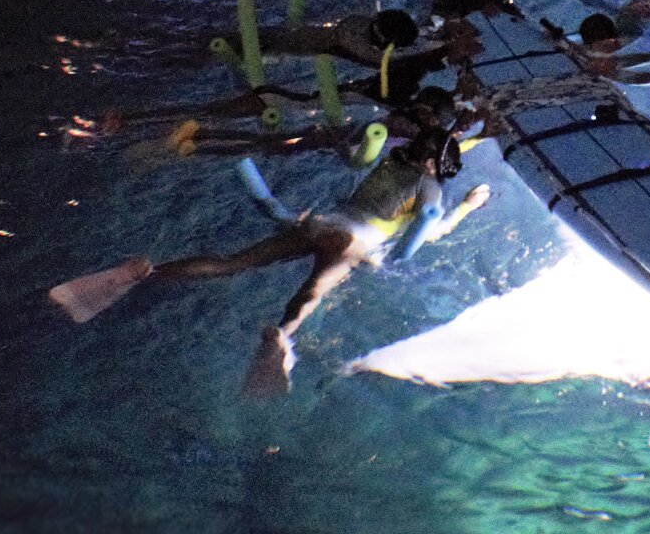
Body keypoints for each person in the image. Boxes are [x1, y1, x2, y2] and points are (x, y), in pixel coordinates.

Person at [48, 115, 491, 396]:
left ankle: (147, 273)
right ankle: (282, 334)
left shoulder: (391, 161)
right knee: (312, 293)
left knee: (233, 263)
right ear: (437, 166)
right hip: (353, 242)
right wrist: (464, 209)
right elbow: (432, 218)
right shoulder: (430, 185)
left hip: (323, 222)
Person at [233, 6, 421, 67]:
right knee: (243, 55)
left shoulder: (358, 21)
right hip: (287, 48)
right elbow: (376, 59)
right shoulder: (352, 42)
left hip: (293, 36)